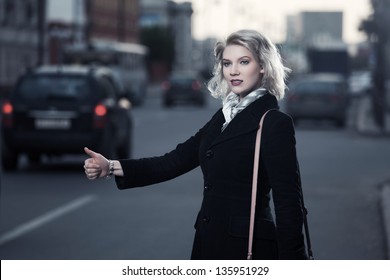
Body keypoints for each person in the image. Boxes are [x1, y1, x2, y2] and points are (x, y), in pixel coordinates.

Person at [83, 29, 308, 260]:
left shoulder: (273, 122)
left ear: (262, 66)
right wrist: (110, 166)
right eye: (227, 63)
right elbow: (174, 161)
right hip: (208, 243)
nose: (234, 71)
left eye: (244, 61)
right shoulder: (224, 116)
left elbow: (288, 204)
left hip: (247, 250)